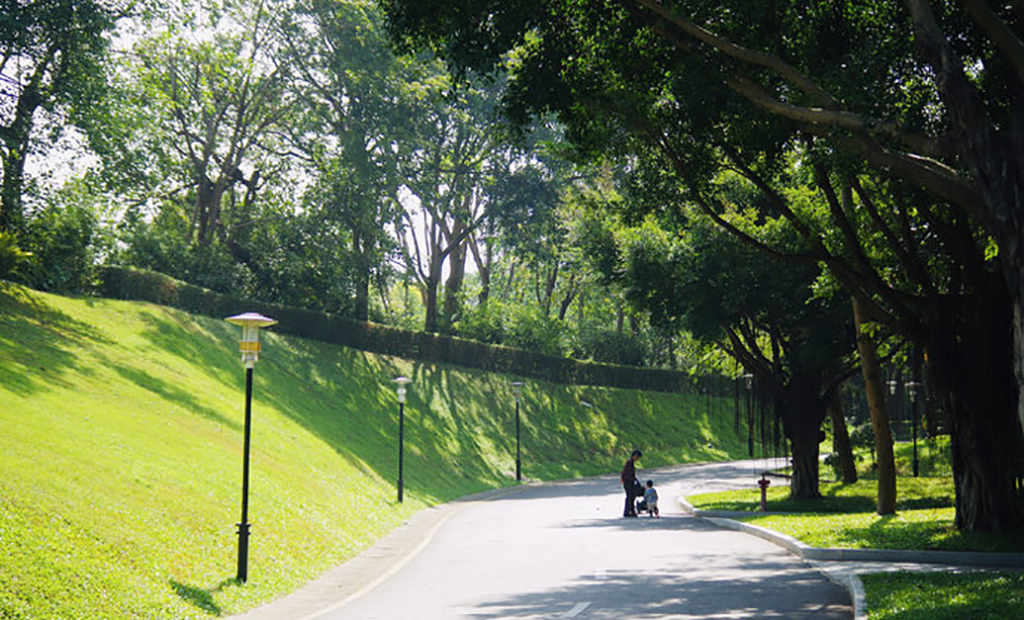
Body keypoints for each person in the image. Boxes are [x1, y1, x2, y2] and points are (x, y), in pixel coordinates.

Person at [620, 449, 642, 517]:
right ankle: (627, 512)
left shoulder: (631, 462)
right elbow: (626, 473)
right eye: (637, 457)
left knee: (632, 497)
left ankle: (631, 511)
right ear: (634, 456)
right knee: (630, 497)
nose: (637, 459)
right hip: (628, 482)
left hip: (630, 481)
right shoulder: (629, 462)